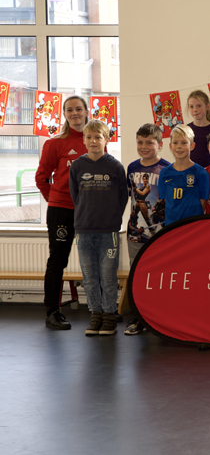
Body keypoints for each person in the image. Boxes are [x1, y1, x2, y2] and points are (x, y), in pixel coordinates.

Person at [35, 95, 90, 330]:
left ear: (86, 111)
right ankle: (52, 312)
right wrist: (55, 199)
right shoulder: (54, 143)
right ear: (65, 114)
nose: (74, 113)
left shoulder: (95, 140)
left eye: (78, 109)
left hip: (88, 211)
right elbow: (41, 178)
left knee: (94, 260)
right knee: (58, 260)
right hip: (61, 210)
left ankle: (102, 310)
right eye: (69, 110)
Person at [68, 121, 127, 336]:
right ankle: (95, 314)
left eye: (98, 137)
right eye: (89, 137)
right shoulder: (77, 166)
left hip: (108, 231)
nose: (93, 141)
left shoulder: (115, 166)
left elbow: (122, 197)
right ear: (84, 140)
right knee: (90, 276)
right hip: (84, 230)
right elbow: (75, 196)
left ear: (107, 140)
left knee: (108, 276)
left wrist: (112, 219)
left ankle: (109, 315)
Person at [124, 123, 171, 335]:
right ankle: (138, 317)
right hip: (135, 232)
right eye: (140, 142)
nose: (144, 146)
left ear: (160, 144)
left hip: (160, 232)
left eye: (149, 142)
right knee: (137, 274)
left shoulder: (167, 169)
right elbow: (131, 196)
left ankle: (159, 316)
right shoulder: (132, 167)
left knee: (160, 274)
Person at [158, 124, 210, 226]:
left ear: (192, 146)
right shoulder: (164, 173)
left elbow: (203, 203)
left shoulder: (201, 173)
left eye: (184, 142)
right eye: (175, 143)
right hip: (171, 226)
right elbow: (166, 200)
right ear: (170, 146)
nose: (179, 146)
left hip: (192, 226)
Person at [186, 90, 210, 168]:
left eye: (199, 106)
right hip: (191, 171)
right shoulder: (185, 130)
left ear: (207, 106)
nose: (195, 109)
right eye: (191, 106)